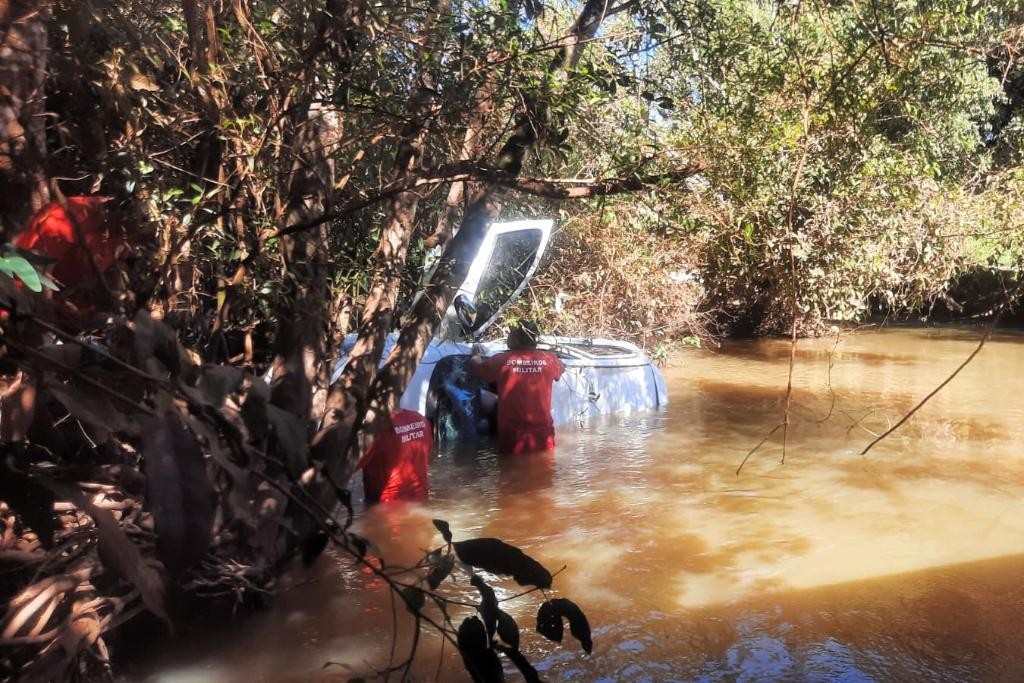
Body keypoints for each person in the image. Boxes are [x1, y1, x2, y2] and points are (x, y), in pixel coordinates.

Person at [471, 320, 565, 455]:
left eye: (510, 333)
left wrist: (475, 355)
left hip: (512, 438)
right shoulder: (549, 359)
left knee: (510, 468)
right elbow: (561, 368)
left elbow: (477, 369)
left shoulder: (501, 360)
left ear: (516, 338)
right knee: (544, 466)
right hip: (544, 436)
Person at [357, 409, 432, 504]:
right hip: (422, 500)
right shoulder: (421, 419)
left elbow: (350, 465)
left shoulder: (376, 427)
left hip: (387, 506)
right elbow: (428, 450)